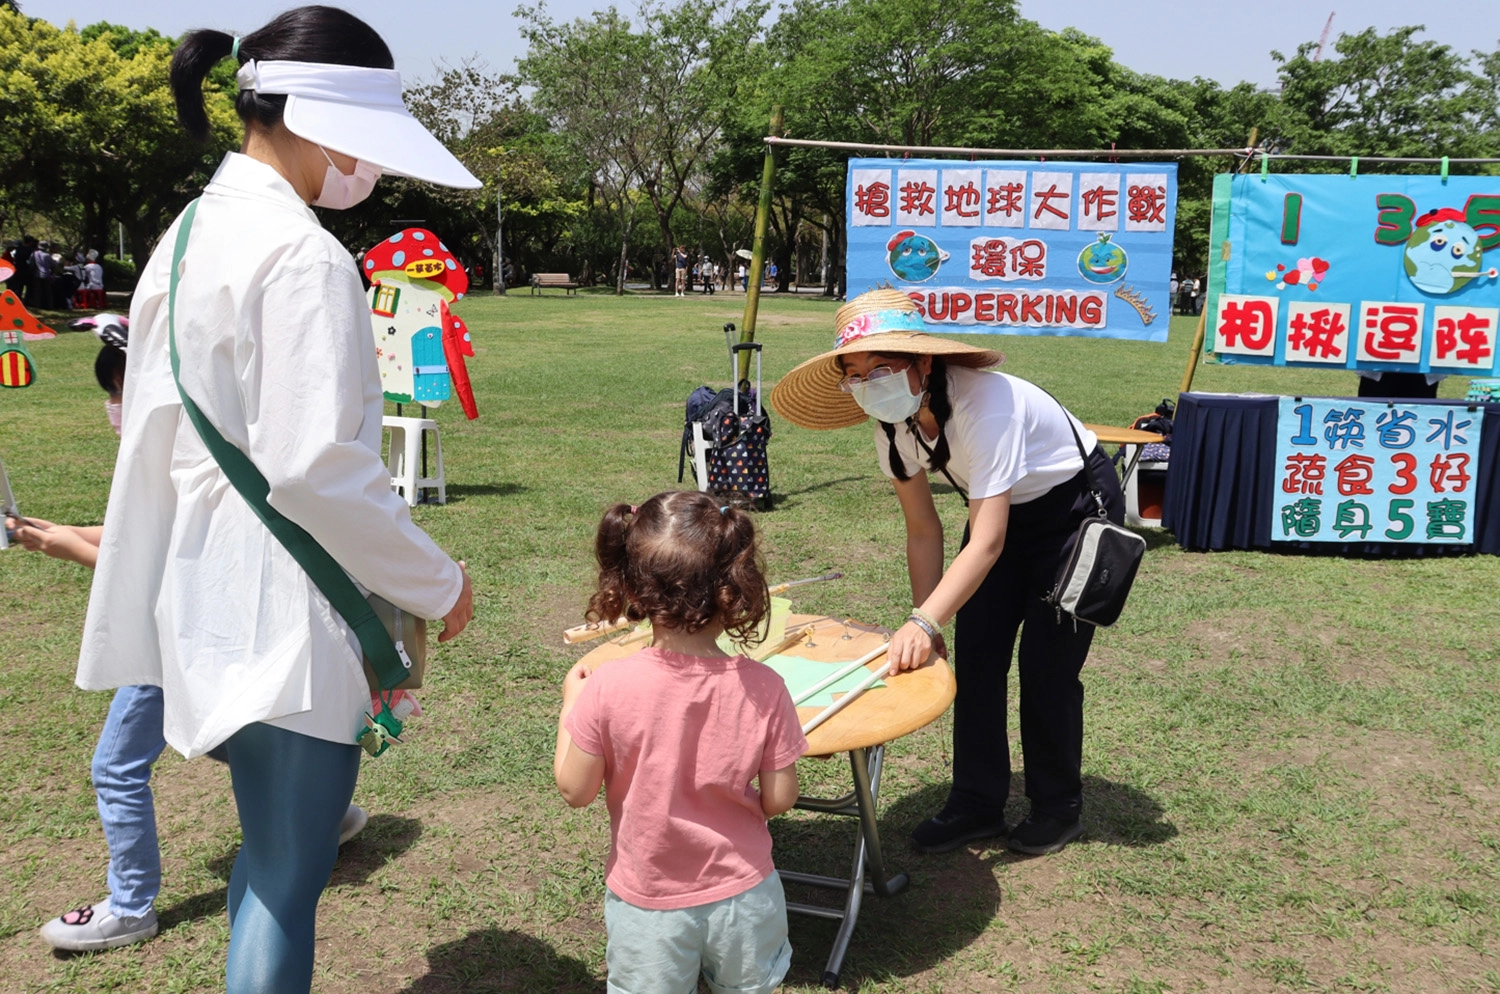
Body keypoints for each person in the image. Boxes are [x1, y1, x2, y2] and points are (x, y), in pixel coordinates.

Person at [76, 9, 479, 992]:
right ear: (322, 120)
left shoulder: (185, 235)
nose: (370, 170)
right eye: (371, 144)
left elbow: (163, 436)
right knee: (282, 883)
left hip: (205, 599)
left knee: (268, 863)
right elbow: (314, 468)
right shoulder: (303, 254)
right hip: (285, 621)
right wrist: (438, 581)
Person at [770, 288, 1125, 857]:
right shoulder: (892, 424)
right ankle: (976, 802)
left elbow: (986, 541)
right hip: (1000, 516)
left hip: (1072, 510)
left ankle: (1057, 806)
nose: (867, 384)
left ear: (924, 362)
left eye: (880, 367)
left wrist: (924, 620)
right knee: (977, 655)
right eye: (854, 373)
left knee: (1046, 668)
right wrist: (927, 621)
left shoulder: (988, 405)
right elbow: (923, 529)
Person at [555, 491, 806, 994]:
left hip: (649, 904)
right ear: (734, 586)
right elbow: (780, 798)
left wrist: (570, 703)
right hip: (746, 897)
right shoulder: (765, 686)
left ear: (630, 585)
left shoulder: (607, 686)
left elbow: (575, 790)